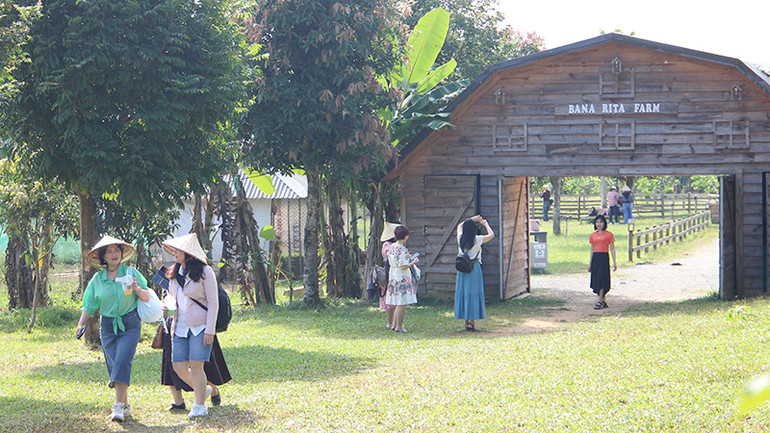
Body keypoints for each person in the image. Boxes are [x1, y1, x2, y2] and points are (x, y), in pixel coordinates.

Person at [75, 236, 151, 422]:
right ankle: (125, 406)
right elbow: (89, 304)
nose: (113, 254)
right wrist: (81, 324)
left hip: (130, 323)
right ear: (103, 257)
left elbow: (147, 296)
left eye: (116, 250)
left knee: (123, 360)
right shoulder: (98, 279)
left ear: (122, 253)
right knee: (114, 364)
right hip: (108, 326)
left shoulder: (131, 273)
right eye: (108, 251)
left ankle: (117, 406)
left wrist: (137, 289)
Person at [162, 233, 219, 418]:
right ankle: (206, 390)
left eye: (179, 250)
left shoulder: (205, 272)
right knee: (179, 367)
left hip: (200, 326)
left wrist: (210, 330)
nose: (175, 253)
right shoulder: (173, 273)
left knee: (196, 366)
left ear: (189, 253)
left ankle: (199, 405)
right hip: (178, 326)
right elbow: (170, 296)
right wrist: (167, 304)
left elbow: (213, 303)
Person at [160, 315, 231, 411]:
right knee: (172, 361)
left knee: (200, 364)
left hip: (198, 322)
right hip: (175, 322)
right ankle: (178, 401)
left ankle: (212, 390)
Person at [454, 215, 495, 332]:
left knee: (464, 293)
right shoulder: (477, 239)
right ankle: (472, 322)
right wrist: (485, 224)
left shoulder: (460, 238)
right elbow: (492, 235)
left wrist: (472, 219)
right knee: (473, 293)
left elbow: (459, 226)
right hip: (474, 267)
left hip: (462, 268)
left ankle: (466, 322)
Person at [384, 225, 419, 333]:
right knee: (401, 303)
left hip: (393, 274)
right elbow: (403, 266)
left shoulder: (391, 247)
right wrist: (413, 262)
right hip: (401, 276)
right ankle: (399, 326)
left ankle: (394, 324)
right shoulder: (402, 249)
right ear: (406, 236)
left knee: (397, 301)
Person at [588, 215, 617, 310]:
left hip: (604, 257)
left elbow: (612, 248)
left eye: (601, 222)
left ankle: (599, 300)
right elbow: (592, 249)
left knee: (602, 277)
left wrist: (614, 262)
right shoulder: (593, 235)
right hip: (596, 257)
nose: (599, 224)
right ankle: (603, 300)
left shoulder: (609, 234)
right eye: (597, 222)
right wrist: (590, 263)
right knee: (596, 278)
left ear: (604, 223)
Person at [379, 222, 399, 329]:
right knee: (389, 301)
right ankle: (390, 322)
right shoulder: (387, 245)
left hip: (393, 272)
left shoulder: (394, 245)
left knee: (393, 301)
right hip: (390, 273)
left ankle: (394, 322)